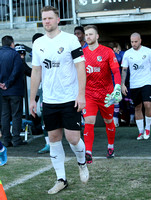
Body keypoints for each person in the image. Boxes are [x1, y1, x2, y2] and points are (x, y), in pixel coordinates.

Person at [29, 6, 89, 195]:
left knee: (73, 138)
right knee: (54, 139)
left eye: (49, 18)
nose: (46, 21)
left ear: (58, 19)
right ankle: (61, 179)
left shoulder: (70, 39)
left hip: (70, 98)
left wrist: (81, 94)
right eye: (43, 18)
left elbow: (80, 67)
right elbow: (36, 71)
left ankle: (82, 162)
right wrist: (32, 99)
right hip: (49, 100)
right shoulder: (38, 43)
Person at [82, 25, 122, 164]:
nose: (88, 37)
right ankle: (88, 152)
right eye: (86, 34)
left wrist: (117, 87)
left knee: (109, 121)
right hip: (89, 94)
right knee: (89, 121)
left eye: (91, 34)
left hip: (106, 95)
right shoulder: (82, 53)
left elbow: (116, 71)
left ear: (97, 36)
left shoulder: (107, 52)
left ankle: (110, 147)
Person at [121, 32, 151, 140]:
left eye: (135, 41)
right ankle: (140, 131)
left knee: (148, 104)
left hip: (146, 82)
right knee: (137, 107)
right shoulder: (127, 54)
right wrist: (122, 84)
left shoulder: (148, 52)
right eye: (132, 42)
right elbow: (124, 69)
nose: (133, 44)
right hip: (134, 84)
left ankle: (147, 128)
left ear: (140, 41)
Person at [0, 35, 27, 147]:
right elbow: (16, 71)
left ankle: (6, 139)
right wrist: (8, 83)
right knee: (16, 115)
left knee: (4, 115)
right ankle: (16, 139)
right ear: (12, 43)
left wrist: (2, 84)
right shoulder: (15, 54)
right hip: (14, 90)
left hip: (2, 91)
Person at [30, 33, 50, 154]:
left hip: (60, 90)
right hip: (45, 90)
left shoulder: (49, 51)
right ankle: (48, 143)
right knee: (44, 116)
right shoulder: (36, 54)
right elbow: (36, 73)